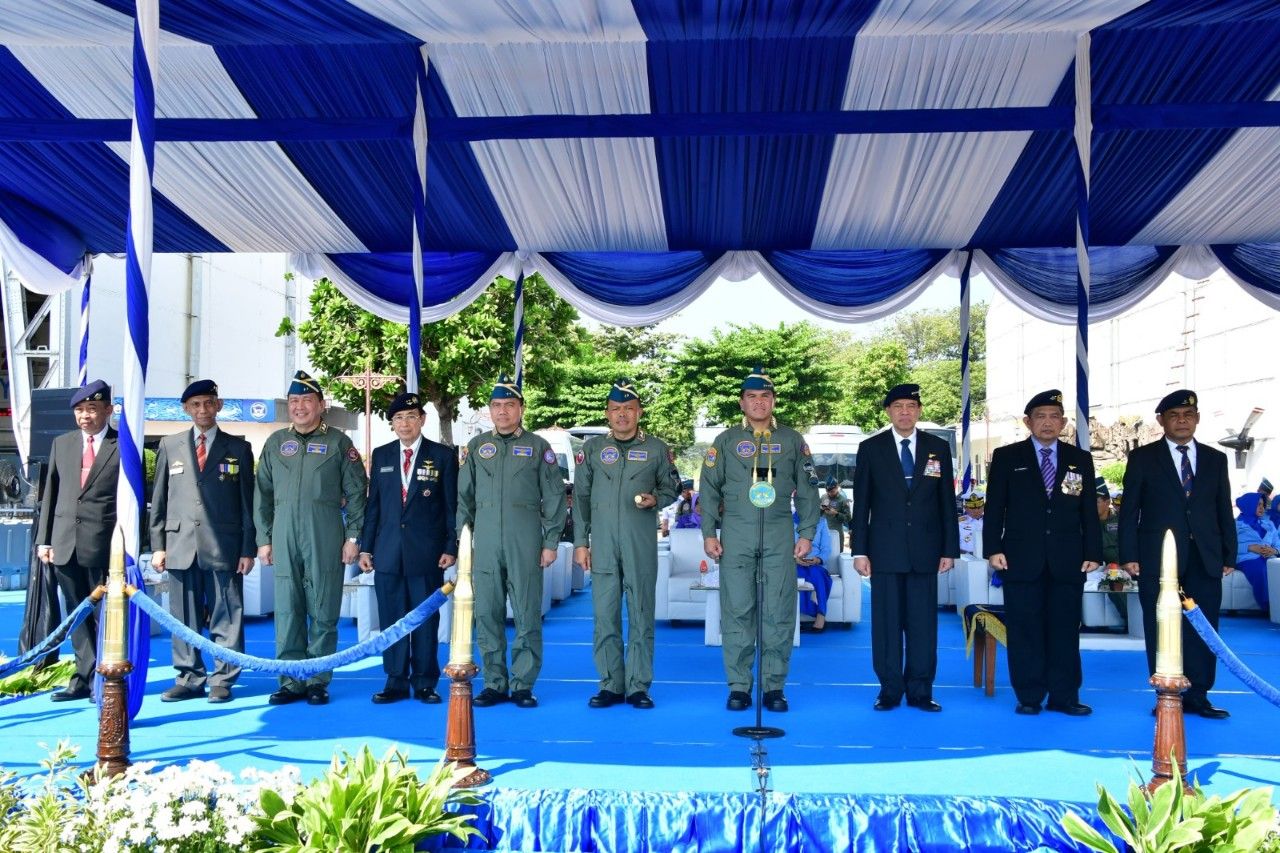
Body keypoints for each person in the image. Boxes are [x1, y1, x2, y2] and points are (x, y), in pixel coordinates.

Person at [701, 365, 820, 713]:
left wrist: (807, 534)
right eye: (751, 397)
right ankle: (739, 686)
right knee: (737, 609)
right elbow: (708, 491)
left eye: (765, 396)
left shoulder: (793, 440)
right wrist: (710, 533)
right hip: (736, 533)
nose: (758, 403)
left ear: (773, 401)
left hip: (780, 533)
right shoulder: (723, 442)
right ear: (741, 403)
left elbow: (809, 490)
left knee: (779, 611)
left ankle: (773, 687)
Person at [1118, 389, 1236, 719]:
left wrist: (1229, 553)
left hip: (1205, 556)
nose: (1182, 421)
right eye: (1174, 416)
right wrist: (1129, 554)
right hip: (1157, 559)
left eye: (1188, 415)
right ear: (1161, 421)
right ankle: (1167, 694)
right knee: (1161, 627)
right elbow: (1130, 511)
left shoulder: (1215, 459)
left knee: (1204, 626)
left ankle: (1198, 695)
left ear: (1196, 419)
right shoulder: (1143, 458)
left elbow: (1222, 509)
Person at [984, 390, 1102, 717]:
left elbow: (1088, 512)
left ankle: (1065, 696)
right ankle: (1029, 695)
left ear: (1063, 422)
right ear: (1028, 422)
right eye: (1040, 416)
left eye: (1054, 417)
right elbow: (995, 508)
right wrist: (993, 548)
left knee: (1064, 630)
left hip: (1068, 558)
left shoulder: (1080, 459)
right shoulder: (1008, 457)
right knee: (1025, 630)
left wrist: (1094, 550)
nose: (1048, 423)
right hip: (1020, 558)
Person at [255, 370, 367, 707]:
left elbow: (357, 493)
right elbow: (262, 494)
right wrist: (264, 538)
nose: (300, 407)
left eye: (307, 400)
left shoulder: (338, 443)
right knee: (287, 608)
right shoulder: (275, 443)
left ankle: (318, 678)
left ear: (321, 404)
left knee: (323, 606)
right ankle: (291, 681)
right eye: (294, 401)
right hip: (285, 531)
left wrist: (353, 537)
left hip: (325, 531)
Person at [457, 375, 567, 709]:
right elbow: (464, 498)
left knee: (526, 614)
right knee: (486, 614)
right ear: (489, 410)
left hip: (525, 541)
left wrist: (550, 543)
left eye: (509, 405)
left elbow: (555, 498)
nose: (502, 411)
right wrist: (463, 542)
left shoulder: (538, 448)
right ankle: (494, 682)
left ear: (521, 409)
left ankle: (522, 683)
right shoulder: (478, 448)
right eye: (496, 405)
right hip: (486, 542)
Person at [851, 383, 958, 713]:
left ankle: (921, 690)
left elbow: (946, 503)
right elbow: (862, 503)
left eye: (911, 406)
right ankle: (889, 690)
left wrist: (949, 549)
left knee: (923, 625)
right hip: (884, 551)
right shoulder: (871, 448)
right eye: (898, 406)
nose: (905, 412)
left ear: (919, 410)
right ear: (888, 412)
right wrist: (859, 551)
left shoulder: (937, 447)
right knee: (886, 626)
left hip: (926, 552)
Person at [574, 379, 680, 710]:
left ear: (639, 413)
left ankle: (638, 686)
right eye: (616, 409)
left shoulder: (657, 449)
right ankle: (610, 684)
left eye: (629, 409)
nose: (622, 415)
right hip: (603, 544)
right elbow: (580, 499)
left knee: (641, 614)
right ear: (607, 413)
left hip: (639, 543)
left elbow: (673, 487)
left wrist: (657, 499)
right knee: (604, 614)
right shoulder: (591, 451)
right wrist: (581, 542)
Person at [148, 379, 256, 704]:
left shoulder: (238, 448)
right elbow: (160, 498)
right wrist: (157, 545)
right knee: (184, 617)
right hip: (180, 544)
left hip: (224, 545)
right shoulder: (169, 445)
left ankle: (223, 678)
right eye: (195, 405)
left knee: (227, 614)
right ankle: (188, 676)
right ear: (186, 409)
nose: (203, 410)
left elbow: (247, 503)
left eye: (209, 403)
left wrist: (247, 548)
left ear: (219, 406)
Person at [358, 392, 458, 705]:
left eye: (411, 417)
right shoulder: (383, 455)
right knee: (392, 618)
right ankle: (395, 680)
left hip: (427, 554)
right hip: (387, 552)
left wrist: (450, 546)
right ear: (392, 424)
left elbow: (451, 506)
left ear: (422, 420)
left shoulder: (442, 456)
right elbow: (372, 506)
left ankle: (425, 682)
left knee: (426, 620)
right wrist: (365, 547)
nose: (405, 423)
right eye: (398, 418)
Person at [35, 380, 118, 702]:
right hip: (64, 543)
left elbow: (131, 501)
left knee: (104, 615)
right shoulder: (63, 444)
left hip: (102, 545)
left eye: (92, 409)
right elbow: (51, 494)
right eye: (80, 410)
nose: (85, 416)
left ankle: (105, 676)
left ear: (107, 410)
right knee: (77, 613)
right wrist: (44, 540)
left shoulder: (122, 445)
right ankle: (82, 676)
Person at [1232, 492, 1274, 613]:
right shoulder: (1236, 525)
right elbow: (1229, 547)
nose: (1262, 508)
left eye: (1262, 505)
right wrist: (1249, 547)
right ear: (1249, 506)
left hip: (1269, 557)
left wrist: (1274, 550)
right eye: (1258, 505)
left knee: (1273, 567)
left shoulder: (1269, 524)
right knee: (1260, 569)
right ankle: (1269, 607)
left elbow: (1278, 544)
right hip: (1246, 558)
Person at [796, 508, 833, 633]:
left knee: (817, 574)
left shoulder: (821, 522)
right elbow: (783, 546)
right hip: (795, 562)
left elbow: (826, 549)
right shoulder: (788, 521)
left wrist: (817, 559)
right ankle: (796, 618)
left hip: (816, 562)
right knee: (793, 576)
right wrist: (794, 558)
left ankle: (821, 615)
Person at [820, 477, 851, 551]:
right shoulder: (824, 497)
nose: (830, 494)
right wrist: (821, 509)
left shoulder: (843, 500)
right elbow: (818, 514)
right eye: (828, 492)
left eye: (832, 491)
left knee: (837, 553)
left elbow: (848, 518)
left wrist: (836, 514)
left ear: (837, 488)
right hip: (824, 531)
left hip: (836, 533)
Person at [1097, 478, 1120, 566]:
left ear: (1107, 502)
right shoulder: (1086, 523)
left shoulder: (1120, 519)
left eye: (1096, 502)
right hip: (1094, 569)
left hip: (1119, 568)